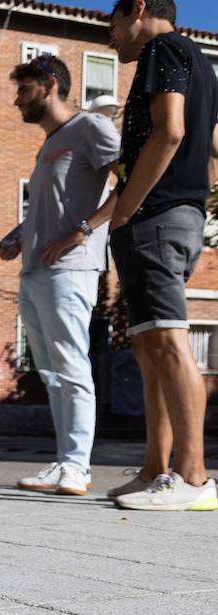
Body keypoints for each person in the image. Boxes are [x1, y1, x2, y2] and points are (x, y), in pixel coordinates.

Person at [104, 0, 218, 510]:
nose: (111, 39)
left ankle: (192, 477)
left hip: (153, 217)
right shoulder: (201, 61)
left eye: (111, 24)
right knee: (149, 348)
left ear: (137, 9)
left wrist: (129, 207)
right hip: (176, 213)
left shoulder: (163, 48)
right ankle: (155, 469)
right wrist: (193, 201)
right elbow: (212, 148)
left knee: (168, 342)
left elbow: (170, 131)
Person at [0, 53, 120, 498]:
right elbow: (48, 206)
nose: (16, 102)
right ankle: (63, 460)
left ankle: (78, 467)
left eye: (23, 91)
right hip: (34, 271)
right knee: (49, 373)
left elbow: (129, 183)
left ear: (49, 85)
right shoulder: (50, 142)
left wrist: (81, 231)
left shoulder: (91, 128)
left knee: (71, 367)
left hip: (72, 269)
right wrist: (16, 235)